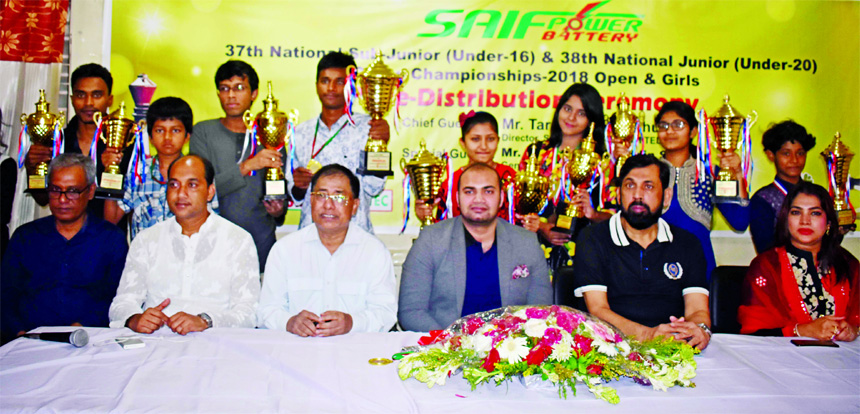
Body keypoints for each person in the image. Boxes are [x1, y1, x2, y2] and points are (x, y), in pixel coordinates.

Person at [109, 155, 260, 334]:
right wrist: (135, 319)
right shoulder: (147, 239)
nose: (180, 193)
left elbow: (249, 312)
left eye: (192, 185)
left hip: (217, 345)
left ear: (210, 191)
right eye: (174, 185)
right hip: (156, 343)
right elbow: (122, 302)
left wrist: (205, 321)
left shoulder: (238, 240)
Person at [574, 154, 711, 350]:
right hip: (609, 346)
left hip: (673, 345)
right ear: (619, 194)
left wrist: (699, 330)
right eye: (630, 186)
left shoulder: (687, 243)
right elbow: (597, 310)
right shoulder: (593, 238)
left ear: (667, 197)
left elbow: (697, 308)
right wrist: (647, 334)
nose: (637, 195)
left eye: (648, 186)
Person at [398, 163, 552, 332]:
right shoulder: (431, 240)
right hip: (445, 348)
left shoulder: (526, 242)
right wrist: (449, 344)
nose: (479, 199)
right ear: (457, 198)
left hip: (510, 350)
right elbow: (411, 312)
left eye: (488, 191)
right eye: (469, 191)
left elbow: (541, 312)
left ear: (501, 197)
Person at [1, 154, 127, 344]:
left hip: (89, 340)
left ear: (91, 191)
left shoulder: (111, 239)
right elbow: (6, 294)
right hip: (27, 340)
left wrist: (82, 327)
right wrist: (20, 333)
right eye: (55, 190)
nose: (62, 199)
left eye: (73, 191)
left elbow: (117, 297)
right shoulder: (25, 237)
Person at [258, 164, 396, 336]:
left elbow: (385, 313)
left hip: (355, 353)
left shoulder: (374, 252)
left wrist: (351, 323)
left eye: (339, 197)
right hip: (297, 352)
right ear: (311, 201)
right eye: (321, 195)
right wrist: (289, 322)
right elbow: (266, 311)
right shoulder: (285, 250)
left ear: (354, 206)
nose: (328, 205)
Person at [190, 60, 285, 270]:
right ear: (218, 94)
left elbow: (278, 191)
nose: (231, 95)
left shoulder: (271, 133)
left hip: (260, 241)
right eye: (225, 89)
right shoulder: (203, 132)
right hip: (212, 242)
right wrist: (247, 166)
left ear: (254, 93)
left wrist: (278, 209)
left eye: (239, 88)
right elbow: (200, 191)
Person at [739, 182, 858, 341]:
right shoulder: (767, 266)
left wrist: (853, 330)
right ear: (786, 219)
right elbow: (754, 334)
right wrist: (801, 330)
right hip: (784, 359)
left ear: (829, 223)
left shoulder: (849, 265)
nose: (805, 221)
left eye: (815, 213)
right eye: (796, 212)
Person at [286, 52, 389, 234]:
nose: (331, 88)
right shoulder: (300, 133)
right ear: (316, 85)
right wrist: (299, 186)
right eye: (325, 81)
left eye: (340, 82)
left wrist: (381, 146)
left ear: (352, 87)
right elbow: (295, 197)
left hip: (356, 237)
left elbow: (374, 188)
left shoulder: (370, 128)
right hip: (311, 237)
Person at [518, 83, 613, 271]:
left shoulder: (601, 161)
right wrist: (542, 227)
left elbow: (613, 215)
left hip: (583, 249)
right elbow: (519, 204)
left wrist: (592, 212)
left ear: (591, 119)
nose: (571, 118)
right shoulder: (536, 153)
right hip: (534, 246)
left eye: (581, 113)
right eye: (567, 109)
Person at [25, 63, 133, 227]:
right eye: (81, 95)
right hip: (65, 238)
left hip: (109, 240)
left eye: (96, 95)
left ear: (109, 99)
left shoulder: (126, 143)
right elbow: (43, 199)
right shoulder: (57, 142)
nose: (88, 103)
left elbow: (133, 203)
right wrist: (32, 167)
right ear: (72, 99)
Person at [655, 101, 750, 280]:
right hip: (654, 266)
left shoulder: (710, 174)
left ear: (693, 132)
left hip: (698, 267)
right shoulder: (649, 173)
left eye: (678, 125)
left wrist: (737, 175)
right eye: (663, 126)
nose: (669, 131)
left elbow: (739, 222)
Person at [105, 97, 216, 239]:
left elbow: (212, 223)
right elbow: (111, 218)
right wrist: (111, 171)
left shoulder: (199, 172)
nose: (167, 137)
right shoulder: (138, 172)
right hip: (145, 256)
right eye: (159, 130)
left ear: (187, 136)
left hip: (187, 255)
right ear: (150, 136)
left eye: (175, 130)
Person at [414, 111, 536, 230]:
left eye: (490, 139)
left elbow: (521, 220)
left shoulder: (511, 178)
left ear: (498, 141)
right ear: (462, 143)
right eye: (475, 139)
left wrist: (531, 224)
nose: (483, 146)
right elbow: (443, 227)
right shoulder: (452, 183)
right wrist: (425, 216)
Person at [749, 120, 816, 253]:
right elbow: (765, 251)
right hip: (779, 269)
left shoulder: (816, 195)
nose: (794, 160)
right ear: (771, 155)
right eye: (786, 153)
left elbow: (826, 241)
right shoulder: (762, 200)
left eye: (800, 153)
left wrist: (838, 230)